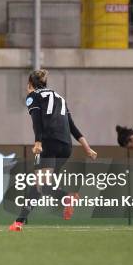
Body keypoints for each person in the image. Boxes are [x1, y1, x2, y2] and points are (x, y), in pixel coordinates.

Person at [9, 70, 97, 232]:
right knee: (45, 186)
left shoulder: (33, 97)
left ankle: (19, 222)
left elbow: (37, 121)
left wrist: (38, 143)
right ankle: (65, 198)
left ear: (30, 84)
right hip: (66, 146)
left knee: (39, 186)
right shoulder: (60, 98)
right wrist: (87, 148)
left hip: (48, 144)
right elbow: (72, 126)